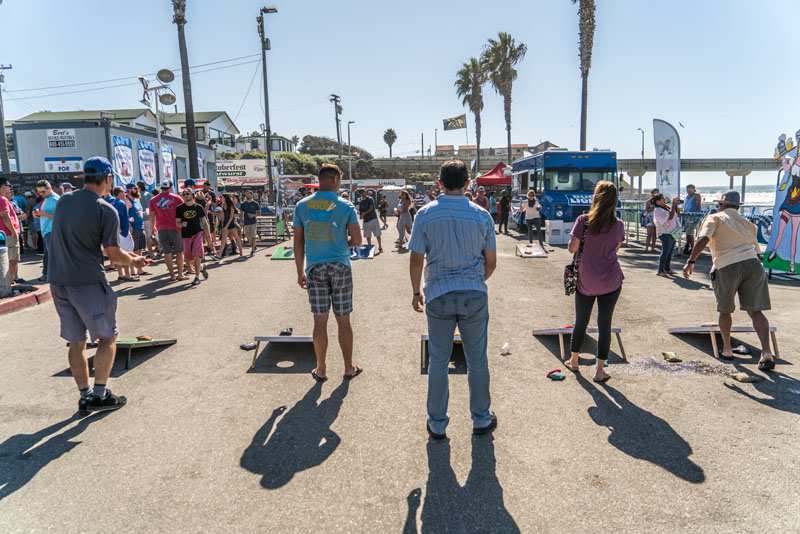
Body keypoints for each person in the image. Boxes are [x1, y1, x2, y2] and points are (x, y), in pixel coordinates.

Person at [49, 156, 147, 414]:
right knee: (107, 337)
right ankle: (101, 394)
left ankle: (84, 395)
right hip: (88, 281)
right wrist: (135, 261)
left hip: (58, 281)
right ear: (108, 178)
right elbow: (113, 255)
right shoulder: (106, 209)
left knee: (76, 341)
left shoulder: (64, 202)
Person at [409, 160, 497, 440]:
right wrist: (474, 280)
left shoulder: (424, 214)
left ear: (440, 184)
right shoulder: (483, 216)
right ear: (468, 184)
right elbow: (491, 263)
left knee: (438, 359)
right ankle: (481, 419)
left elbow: (415, 258)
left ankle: (437, 423)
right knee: (477, 359)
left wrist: (416, 291)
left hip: (438, 293)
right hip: (474, 293)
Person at [683, 191, 775, 369]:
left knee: (725, 310)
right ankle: (766, 353)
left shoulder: (715, 218)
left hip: (727, 265)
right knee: (756, 311)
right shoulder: (748, 223)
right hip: (753, 264)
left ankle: (727, 349)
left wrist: (691, 261)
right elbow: (756, 251)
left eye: (719, 204)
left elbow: (703, 238)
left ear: (722, 205)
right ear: (738, 206)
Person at [293, 163, 363, 381]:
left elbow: (298, 242)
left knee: (319, 321)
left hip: (314, 268)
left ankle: (321, 368)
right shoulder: (346, 206)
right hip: (340, 266)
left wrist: (299, 272)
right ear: (335, 180)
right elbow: (358, 240)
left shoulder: (302, 206)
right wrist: (341, 240)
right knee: (343, 320)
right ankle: (348, 367)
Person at [564, 181, 624, 382]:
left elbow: (572, 249)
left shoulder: (583, 221)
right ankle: (599, 371)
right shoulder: (619, 225)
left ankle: (574, 361)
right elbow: (615, 250)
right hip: (611, 281)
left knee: (581, 320)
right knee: (604, 324)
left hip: (586, 280)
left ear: (595, 198)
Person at [150, 180, 185, 281]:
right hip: (176, 228)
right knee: (179, 252)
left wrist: (153, 228)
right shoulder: (177, 198)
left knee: (167, 252)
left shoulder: (153, 199)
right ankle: (180, 274)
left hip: (161, 228)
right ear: (170, 187)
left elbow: (152, 216)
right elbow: (183, 212)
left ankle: (172, 276)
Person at [176, 188, 209, 286]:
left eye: (188, 194)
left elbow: (204, 221)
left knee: (197, 254)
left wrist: (208, 236)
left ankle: (197, 277)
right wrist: (182, 224)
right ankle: (202, 268)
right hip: (186, 235)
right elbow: (177, 223)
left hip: (197, 233)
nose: (186, 195)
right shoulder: (179, 208)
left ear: (192, 195)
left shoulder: (198, 207)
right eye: (184, 194)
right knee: (189, 258)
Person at [33, 180, 59, 282]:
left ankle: (53, 277)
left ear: (49, 188)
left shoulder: (55, 199)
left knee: (52, 256)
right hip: (47, 232)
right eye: (39, 192)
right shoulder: (48, 198)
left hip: (52, 232)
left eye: (43, 192)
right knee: (48, 256)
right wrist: (38, 214)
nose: (41, 194)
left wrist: (43, 214)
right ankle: (47, 275)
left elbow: (60, 217)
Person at [653, 193, 682, 276]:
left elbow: (676, 214)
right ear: (657, 202)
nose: (664, 199)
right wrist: (673, 204)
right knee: (665, 252)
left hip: (673, 232)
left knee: (670, 252)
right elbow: (670, 217)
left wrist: (675, 205)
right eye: (662, 199)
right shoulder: (658, 210)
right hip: (664, 233)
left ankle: (667, 269)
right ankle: (660, 270)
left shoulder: (666, 207)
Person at [0, 178, 22, 284]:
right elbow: (5, 216)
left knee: (7, 259)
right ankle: (10, 283)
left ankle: (8, 283)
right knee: (12, 259)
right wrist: (13, 231)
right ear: (3, 186)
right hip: (8, 234)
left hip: (5, 234)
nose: (10, 187)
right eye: (8, 185)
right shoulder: (3, 199)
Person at [127, 184, 147, 278]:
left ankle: (140, 269)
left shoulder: (137, 200)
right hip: (133, 228)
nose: (136, 190)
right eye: (134, 188)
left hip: (140, 227)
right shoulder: (127, 201)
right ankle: (133, 271)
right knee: (133, 250)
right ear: (129, 190)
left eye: (136, 188)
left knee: (140, 249)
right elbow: (124, 214)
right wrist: (129, 223)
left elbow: (139, 212)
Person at [358, 189, 383, 254]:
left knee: (377, 234)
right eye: (361, 193)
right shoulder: (361, 202)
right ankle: (369, 247)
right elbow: (360, 211)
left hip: (373, 219)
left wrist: (364, 213)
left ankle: (380, 247)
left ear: (365, 192)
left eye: (363, 192)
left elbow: (371, 208)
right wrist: (361, 215)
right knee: (368, 236)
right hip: (366, 220)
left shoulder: (370, 199)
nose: (362, 194)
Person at [137, 181, 157, 257]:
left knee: (148, 236)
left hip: (145, 218)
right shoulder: (149, 194)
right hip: (149, 217)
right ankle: (158, 248)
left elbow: (148, 208)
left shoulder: (140, 195)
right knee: (151, 235)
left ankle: (151, 254)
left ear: (139, 187)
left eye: (137, 187)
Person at [682, 184, 703, 254]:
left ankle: (693, 248)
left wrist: (695, 215)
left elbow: (698, 206)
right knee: (688, 233)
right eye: (687, 189)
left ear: (693, 189)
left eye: (689, 189)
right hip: (686, 216)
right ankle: (687, 246)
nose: (688, 190)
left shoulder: (696, 195)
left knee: (690, 233)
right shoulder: (687, 197)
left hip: (694, 216)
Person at [240, 189, 260, 257]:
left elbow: (259, 214)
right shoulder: (243, 204)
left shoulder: (255, 203)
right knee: (248, 236)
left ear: (251, 194)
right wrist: (241, 221)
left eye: (248, 193)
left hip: (253, 222)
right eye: (246, 194)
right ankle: (254, 246)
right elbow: (241, 213)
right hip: (246, 222)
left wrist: (253, 215)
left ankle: (253, 250)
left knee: (253, 236)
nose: (247, 195)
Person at [643, 188, 659, 252]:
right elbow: (647, 210)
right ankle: (646, 248)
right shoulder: (648, 201)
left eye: (657, 193)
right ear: (652, 194)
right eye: (654, 193)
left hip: (657, 219)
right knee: (649, 234)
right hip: (650, 218)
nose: (655, 194)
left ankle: (653, 248)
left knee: (654, 234)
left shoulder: (659, 201)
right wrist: (653, 208)